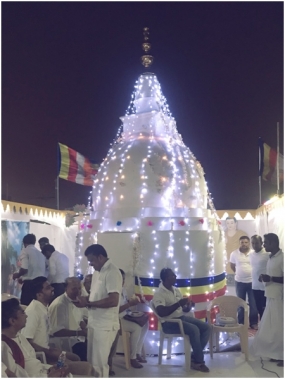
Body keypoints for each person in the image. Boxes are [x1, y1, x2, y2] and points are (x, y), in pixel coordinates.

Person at [20, 276, 92, 375]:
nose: (53, 288)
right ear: (39, 295)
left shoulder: (43, 308)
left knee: (76, 358)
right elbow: (26, 341)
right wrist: (48, 351)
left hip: (49, 350)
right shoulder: (33, 311)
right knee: (84, 368)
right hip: (41, 356)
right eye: (48, 288)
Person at [73, 244, 122, 377]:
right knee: (91, 363)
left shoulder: (112, 272)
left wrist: (89, 303)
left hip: (105, 325)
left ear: (100, 257)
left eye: (92, 261)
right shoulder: (96, 272)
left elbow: (113, 300)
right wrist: (84, 301)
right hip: (94, 323)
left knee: (99, 364)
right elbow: (95, 297)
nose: (91, 264)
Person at [152, 268, 211, 373]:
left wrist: (188, 306)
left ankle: (194, 356)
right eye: (173, 276)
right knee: (194, 330)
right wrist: (179, 303)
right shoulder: (159, 293)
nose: (175, 277)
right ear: (166, 278)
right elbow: (161, 312)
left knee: (206, 327)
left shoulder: (175, 290)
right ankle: (199, 362)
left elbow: (183, 310)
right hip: (169, 323)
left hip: (180, 318)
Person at [2, 298, 70, 377]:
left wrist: (50, 369)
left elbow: (34, 363)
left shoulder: (20, 336)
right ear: (12, 321)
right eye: (23, 313)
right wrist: (48, 376)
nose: (26, 316)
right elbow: (16, 375)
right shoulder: (4, 345)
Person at [250, 233, 284, 367]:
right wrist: (264, 277)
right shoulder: (271, 257)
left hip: (280, 297)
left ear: (274, 243)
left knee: (281, 328)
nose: (264, 245)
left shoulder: (282, 258)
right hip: (271, 295)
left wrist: (270, 279)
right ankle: (277, 353)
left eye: (266, 243)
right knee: (274, 328)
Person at [48, 277, 88, 361]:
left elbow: (79, 319)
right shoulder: (60, 305)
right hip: (64, 341)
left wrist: (85, 328)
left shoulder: (77, 300)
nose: (78, 291)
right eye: (74, 289)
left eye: (79, 288)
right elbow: (57, 331)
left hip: (77, 338)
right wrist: (79, 333)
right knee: (84, 350)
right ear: (66, 288)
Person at [118, 269, 148, 369]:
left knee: (145, 323)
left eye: (123, 279)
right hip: (118, 320)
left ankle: (138, 352)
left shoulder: (123, 290)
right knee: (137, 327)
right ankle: (132, 357)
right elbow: (115, 311)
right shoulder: (112, 292)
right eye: (120, 279)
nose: (122, 281)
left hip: (126, 315)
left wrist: (131, 303)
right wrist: (129, 304)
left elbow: (126, 305)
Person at [230, 236, 258, 329]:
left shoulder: (254, 253)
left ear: (249, 243)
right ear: (240, 243)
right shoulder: (234, 254)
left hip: (252, 282)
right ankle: (241, 323)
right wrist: (240, 273)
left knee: (253, 303)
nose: (244, 244)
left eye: (246, 242)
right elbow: (232, 266)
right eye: (242, 242)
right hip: (239, 282)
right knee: (240, 303)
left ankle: (253, 323)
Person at [12, 234, 46, 306]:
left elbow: (24, 269)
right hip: (41, 286)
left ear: (24, 243)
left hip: (29, 286)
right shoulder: (40, 254)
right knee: (37, 307)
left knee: (26, 308)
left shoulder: (25, 251)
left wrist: (17, 275)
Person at [249, 235, 269, 320]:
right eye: (252, 243)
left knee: (265, 308)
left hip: (265, 286)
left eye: (256, 243)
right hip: (255, 286)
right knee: (258, 308)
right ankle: (261, 326)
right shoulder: (251, 254)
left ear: (261, 243)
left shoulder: (267, 254)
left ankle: (266, 326)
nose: (254, 245)